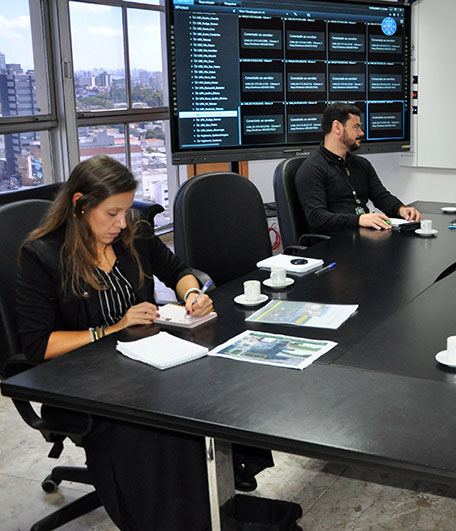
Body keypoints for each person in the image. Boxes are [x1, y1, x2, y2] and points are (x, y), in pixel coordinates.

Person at [15, 156, 270, 530]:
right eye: (111, 213)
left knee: (221, 374)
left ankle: (217, 485)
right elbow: (40, 346)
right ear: (79, 204)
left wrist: (193, 294)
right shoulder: (43, 256)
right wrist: (113, 327)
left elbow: (178, 271)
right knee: (161, 420)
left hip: (146, 357)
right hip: (83, 378)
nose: (122, 223)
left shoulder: (134, 234)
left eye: (125, 211)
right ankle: (169, 515)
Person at [295, 102, 421, 233]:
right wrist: (359, 220)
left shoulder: (361, 164)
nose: (361, 133)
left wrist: (401, 209)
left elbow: (380, 196)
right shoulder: (312, 169)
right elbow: (317, 217)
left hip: (363, 236)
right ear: (337, 127)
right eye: (356, 127)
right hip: (333, 243)